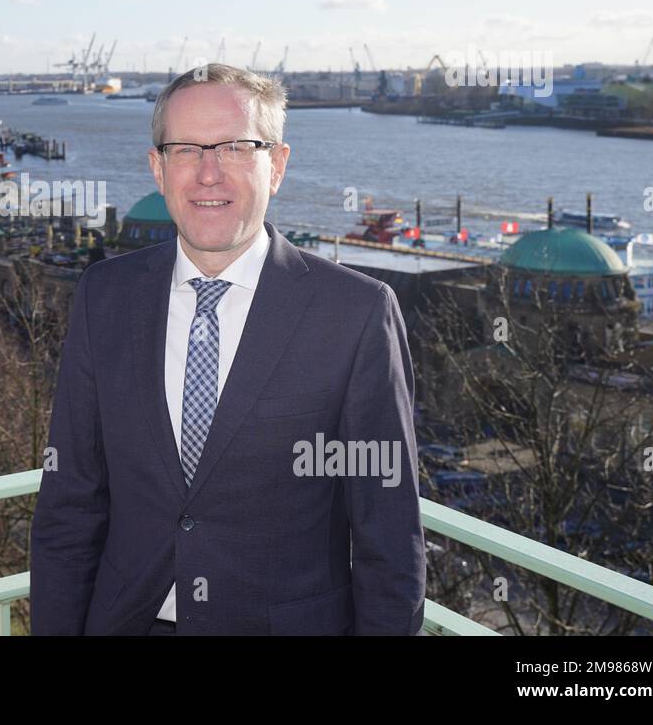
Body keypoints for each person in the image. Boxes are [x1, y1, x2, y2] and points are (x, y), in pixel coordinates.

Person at [29, 64, 425, 636]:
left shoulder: (355, 314)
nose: (208, 174)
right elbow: (70, 503)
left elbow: (388, 535)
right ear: (158, 168)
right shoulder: (105, 296)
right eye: (186, 149)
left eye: (237, 148)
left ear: (278, 165)